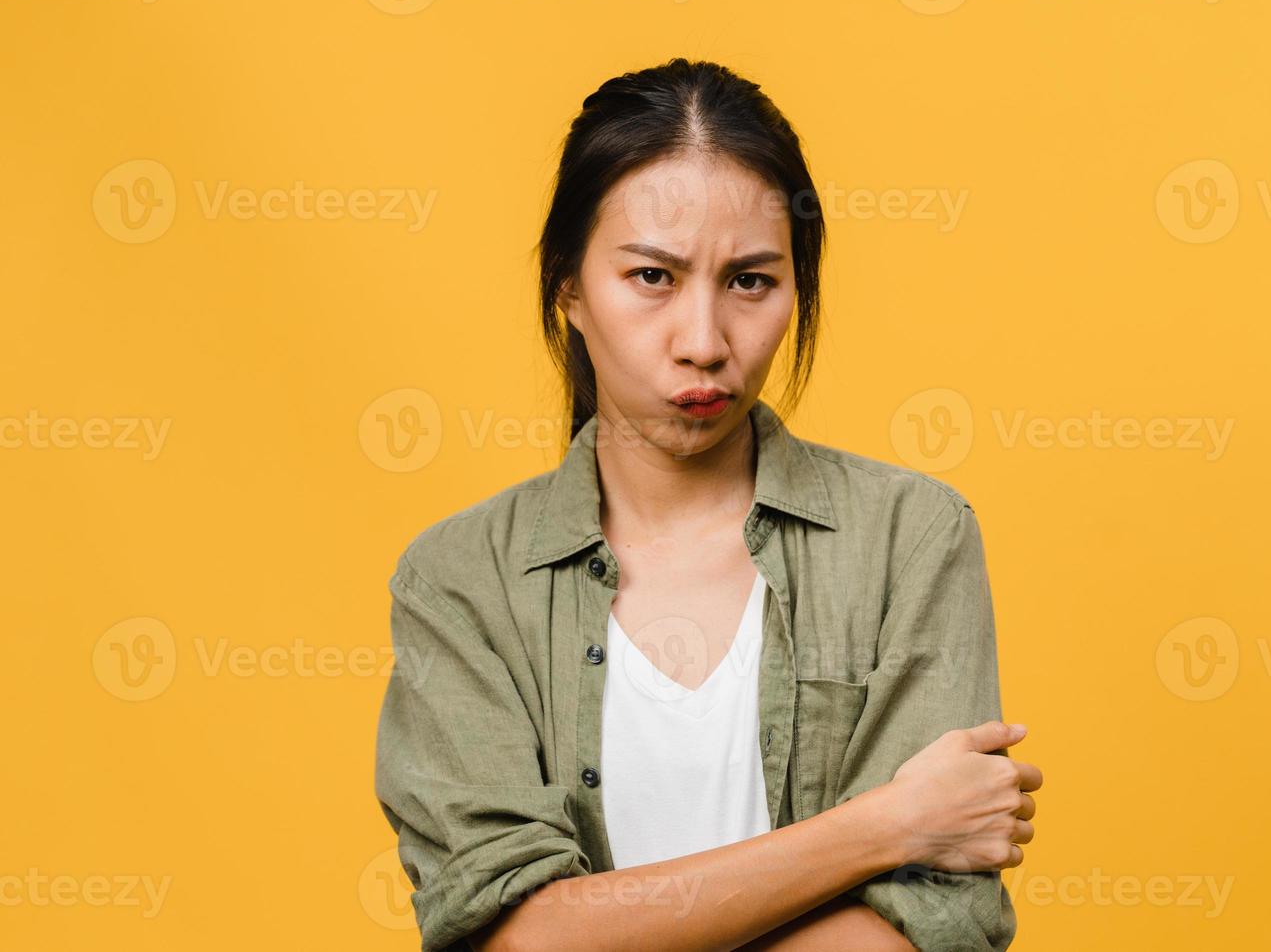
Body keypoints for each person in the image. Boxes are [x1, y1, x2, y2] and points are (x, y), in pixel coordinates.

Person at [374, 57, 1042, 952]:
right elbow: (512, 936)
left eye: (751, 282)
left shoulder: (909, 537)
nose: (704, 342)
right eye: (652, 277)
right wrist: (884, 826)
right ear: (568, 286)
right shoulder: (461, 579)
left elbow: (930, 927)